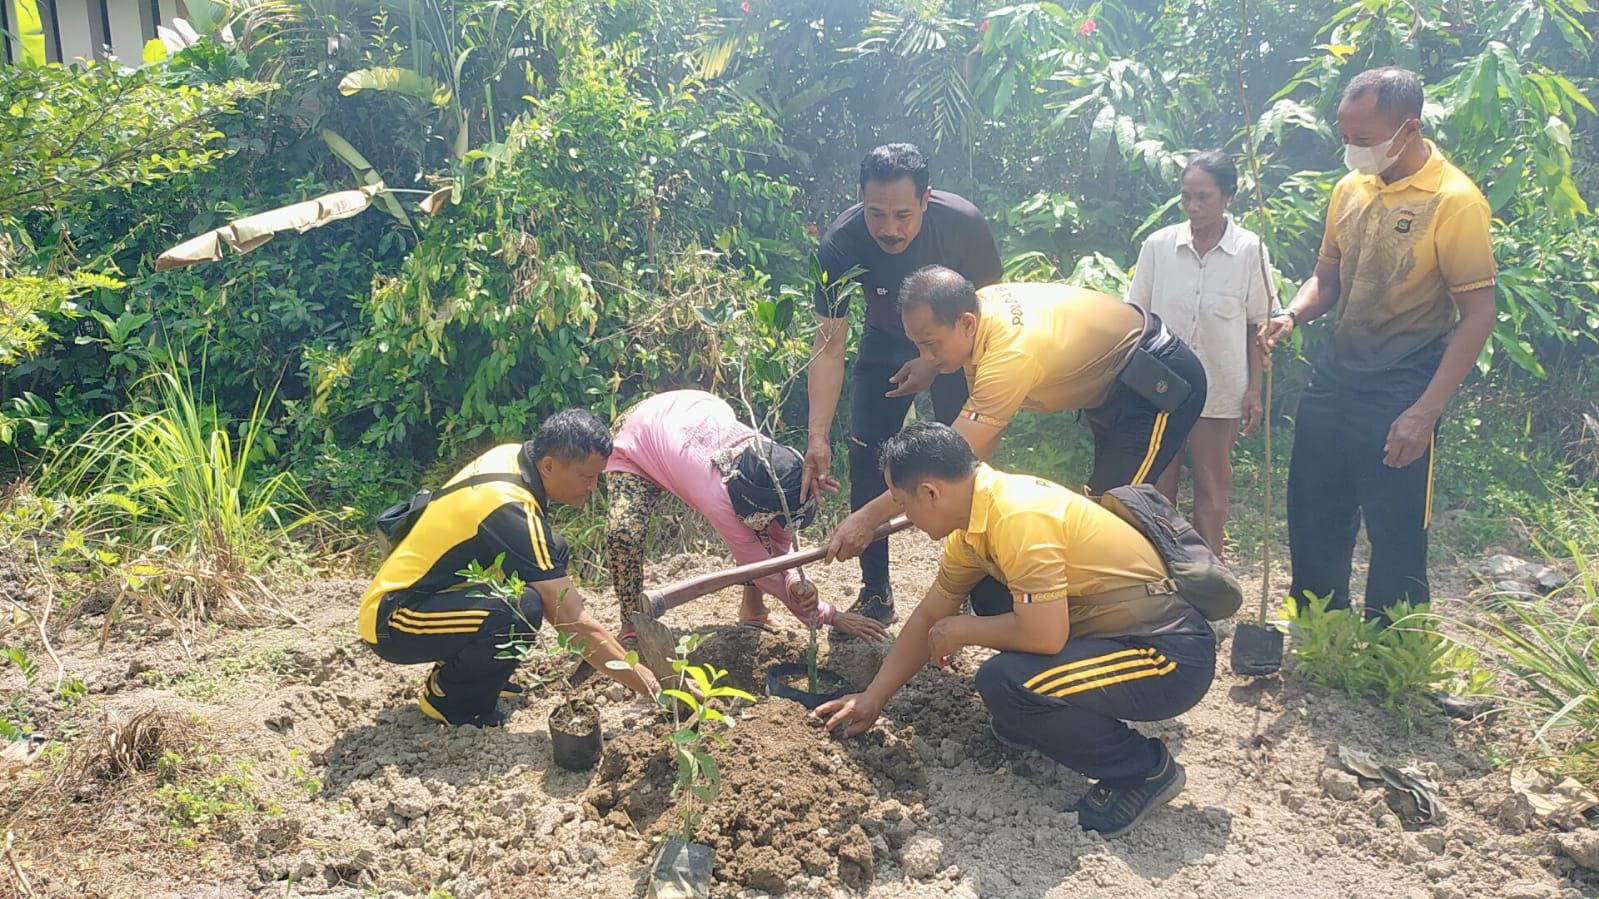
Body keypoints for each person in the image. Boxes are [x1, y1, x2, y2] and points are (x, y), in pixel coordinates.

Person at [815, 423, 1216, 836]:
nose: (904, 516)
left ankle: (1142, 770)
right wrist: (873, 697)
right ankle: (1039, 718)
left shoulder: (1019, 516)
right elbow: (928, 616)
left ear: (932, 493)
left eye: (902, 503)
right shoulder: (975, 524)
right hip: (1113, 637)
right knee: (996, 620)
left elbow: (1045, 636)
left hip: (1166, 657)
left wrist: (965, 630)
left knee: (1006, 682)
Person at [1258, 67, 1496, 621]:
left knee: (1396, 523)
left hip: (1404, 379)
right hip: (1336, 370)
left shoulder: (1455, 201)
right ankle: (1320, 626)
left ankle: (1394, 643)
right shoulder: (1350, 188)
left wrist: (1424, 412)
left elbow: (1478, 315)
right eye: (1344, 136)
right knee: (1314, 504)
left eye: (1362, 140)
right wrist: (1292, 313)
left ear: (1407, 130)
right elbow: (1327, 277)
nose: (1351, 151)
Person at [823, 267, 1208, 564]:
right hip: (1113, 386)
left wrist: (867, 517)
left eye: (930, 344)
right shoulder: (978, 308)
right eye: (917, 345)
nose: (925, 356)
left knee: (1112, 513)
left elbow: (944, 462)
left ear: (965, 323)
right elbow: (973, 454)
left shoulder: (1008, 354)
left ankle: (1184, 594)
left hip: (1154, 380)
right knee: (1102, 503)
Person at [802, 143, 1003, 630]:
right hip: (885, 340)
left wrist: (933, 362)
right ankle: (875, 590)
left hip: (959, 347)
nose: (889, 228)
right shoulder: (841, 244)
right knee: (869, 453)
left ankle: (981, 586)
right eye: (877, 214)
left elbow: (990, 314)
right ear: (859, 200)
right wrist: (817, 436)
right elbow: (829, 348)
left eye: (902, 215)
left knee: (964, 461)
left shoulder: (964, 225)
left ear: (927, 199)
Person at [357, 409, 660, 727]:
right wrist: (652, 685)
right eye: (587, 476)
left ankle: (478, 672)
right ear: (548, 465)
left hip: (434, 594)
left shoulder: (514, 457)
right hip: (395, 620)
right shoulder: (509, 506)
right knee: (521, 606)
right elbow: (572, 621)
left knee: (551, 551)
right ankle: (448, 697)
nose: (593, 487)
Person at [603, 390, 888, 643]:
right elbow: (758, 566)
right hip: (639, 432)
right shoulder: (718, 497)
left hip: (691, 410)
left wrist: (793, 583)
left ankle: (753, 609)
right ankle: (631, 623)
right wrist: (829, 615)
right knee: (623, 533)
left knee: (761, 523)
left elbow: (781, 545)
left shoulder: (778, 464)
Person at [1127, 151, 1273, 557]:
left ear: (1228, 196)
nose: (1193, 207)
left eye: (1203, 197)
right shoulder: (1159, 247)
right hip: (1159, 388)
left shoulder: (1249, 251)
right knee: (1157, 487)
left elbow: (1256, 326)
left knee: (1213, 490)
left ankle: (1209, 581)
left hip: (1221, 386)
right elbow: (1135, 316)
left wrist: (1254, 391)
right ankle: (1162, 574)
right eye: (1186, 197)